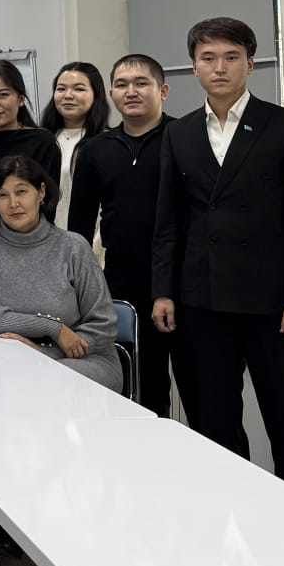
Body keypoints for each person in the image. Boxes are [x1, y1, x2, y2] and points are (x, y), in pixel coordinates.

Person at [152, 17, 284, 496]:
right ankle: (228, 524)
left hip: (277, 306)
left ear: (250, 64)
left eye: (231, 57)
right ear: (193, 67)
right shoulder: (180, 133)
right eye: (208, 58)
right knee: (215, 430)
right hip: (202, 302)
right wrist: (164, 291)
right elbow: (169, 223)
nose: (220, 67)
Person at [68, 54, 186, 418]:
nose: (130, 91)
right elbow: (79, 226)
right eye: (121, 84)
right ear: (111, 93)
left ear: (163, 91)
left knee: (203, 392)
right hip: (123, 283)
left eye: (141, 83)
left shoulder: (186, 138)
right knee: (140, 392)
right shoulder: (95, 150)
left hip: (185, 280)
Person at [0, 156, 121, 391]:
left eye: (21, 191)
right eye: (2, 195)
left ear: (41, 192)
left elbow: (104, 323)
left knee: (38, 381)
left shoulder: (73, 247)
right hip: (9, 361)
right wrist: (52, 328)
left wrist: (44, 353)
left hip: (84, 360)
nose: (13, 203)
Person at [0, 60, 60, 217]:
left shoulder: (42, 141)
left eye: (3, 95)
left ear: (21, 99)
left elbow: (49, 202)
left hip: (36, 230)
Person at [42, 61, 110, 258]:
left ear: (96, 95)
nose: (68, 95)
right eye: (61, 89)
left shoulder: (108, 142)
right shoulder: (43, 140)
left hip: (96, 246)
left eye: (79, 89)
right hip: (47, 245)